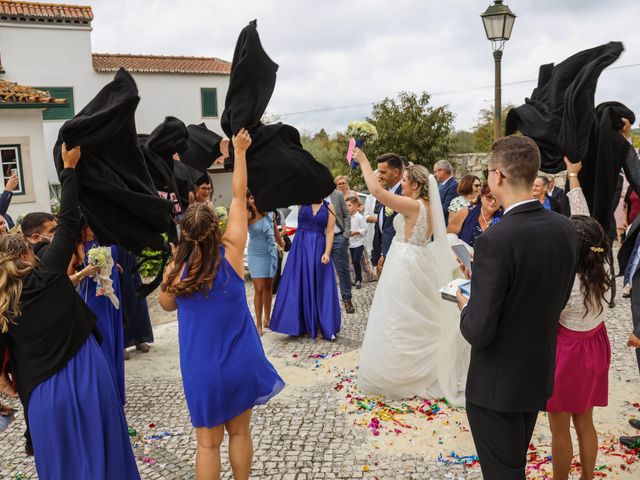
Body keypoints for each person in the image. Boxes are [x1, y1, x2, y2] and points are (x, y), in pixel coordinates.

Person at [0, 144, 140, 479]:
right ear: (29, 255)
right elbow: (68, 219)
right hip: (88, 375)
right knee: (106, 456)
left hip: (42, 396)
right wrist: (69, 169)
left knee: (63, 469)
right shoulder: (48, 272)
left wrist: (8, 384)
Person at [159, 129, 284, 480]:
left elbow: (165, 305)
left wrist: (174, 265)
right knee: (241, 433)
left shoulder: (178, 270)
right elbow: (239, 194)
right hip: (240, 358)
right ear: (216, 227)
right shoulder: (230, 252)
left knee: (207, 444)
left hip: (202, 368)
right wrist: (239, 153)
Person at [456, 135, 579, 480]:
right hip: (536, 372)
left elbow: (478, 330)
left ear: (498, 176)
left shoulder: (496, 238)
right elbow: (553, 293)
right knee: (514, 466)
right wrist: (486, 273)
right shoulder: (565, 229)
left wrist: (467, 304)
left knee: (503, 473)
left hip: (497, 384)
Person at [354, 148, 468, 403]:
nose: (401, 185)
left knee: (397, 316)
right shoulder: (428, 205)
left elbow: (377, 193)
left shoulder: (414, 205)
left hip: (405, 264)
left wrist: (363, 160)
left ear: (416, 185)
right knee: (411, 317)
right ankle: (414, 367)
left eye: (404, 181)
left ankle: (400, 375)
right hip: (418, 260)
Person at [546, 157, 612, 480]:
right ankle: (587, 477)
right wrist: (573, 176)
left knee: (559, 429)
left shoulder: (564, 279)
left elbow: (545, 315)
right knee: (585, 422)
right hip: (595, 345)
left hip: (568, 353)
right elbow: (583, 219)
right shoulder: (602, 266)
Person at [270, 197, 342, 341]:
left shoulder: (330, 207)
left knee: (320, 285)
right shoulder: (302, 201)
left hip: (319, 247)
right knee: (298, 284)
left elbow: (329, 231)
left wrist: (327, 252)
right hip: (301, 248)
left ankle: (320, 324)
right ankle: (300, 324)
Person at [79, 225, 126, 405]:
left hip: (110, 295)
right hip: (93, 297)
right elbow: (68, 274)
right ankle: (105, 393)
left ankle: (115, 389)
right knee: (102, 339)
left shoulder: (104, 238)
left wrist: (113, 266)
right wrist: (85, 272)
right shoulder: (78, 244)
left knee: (113, 338)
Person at [246, 192, 283, 335]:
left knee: (269, 286)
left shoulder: (269, 213)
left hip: (270, 252)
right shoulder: (247, 215)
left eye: (255, 197)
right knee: (259, 288)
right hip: (255, 254)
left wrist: (281, 244)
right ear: (248, 200)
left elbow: (275, 231)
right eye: (251, 197)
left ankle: (268, 318)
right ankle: (258, 324)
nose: (253, 200)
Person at [118, 246, 154, 360]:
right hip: (113, 249)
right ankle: (121, 345)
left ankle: (140, 337)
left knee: (137, 295)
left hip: (129, 249)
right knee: (120, 297)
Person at [371, 154, 404, 272]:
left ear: (395, 172)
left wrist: (386, 253)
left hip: (395, 255)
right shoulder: (386, 190)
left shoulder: (404, 193)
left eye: (383, 172)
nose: (379, 176)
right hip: (382, 251)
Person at [447, 183, 503, 247]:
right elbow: (449, 236)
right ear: (481, 197)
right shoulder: (466, 212)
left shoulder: (505, 217)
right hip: (464, 256)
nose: (493, 201)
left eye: (497, 198)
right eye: (489, 197)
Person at [328, 189, 354, 313]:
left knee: (342, 270)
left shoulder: (337, 194)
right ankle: (325, 303)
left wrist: (346, 234)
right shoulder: (312, 194)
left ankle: (347, 299)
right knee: (323, 272)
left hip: (338, 237)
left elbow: (346, 215)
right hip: (321, 240)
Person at [346, 196, 367, 289]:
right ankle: (355, 279)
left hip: (359, 243)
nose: (347, 208)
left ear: (355, 206)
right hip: (350, 244)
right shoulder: (347, 218)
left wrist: (356, 232)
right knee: (352, 262)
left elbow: (365, 229)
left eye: (349, 205)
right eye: (346, 206)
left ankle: (359, 280)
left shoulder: (359, 217)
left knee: (356, 260)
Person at [433, 160, 458, 224]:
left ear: (442, 171)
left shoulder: (453, 186)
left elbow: (446, 209)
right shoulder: (442, 185)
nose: (434, 174)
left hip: (444, 226)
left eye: (435, 172)